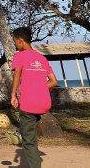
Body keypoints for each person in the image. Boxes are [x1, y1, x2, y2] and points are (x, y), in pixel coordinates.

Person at [9, 27, 58, 168]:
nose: (15, 44)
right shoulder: (42, 58)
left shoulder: (19, 55)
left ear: (20, 41)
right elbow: (54, 81)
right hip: (44, 104)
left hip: (29, 104)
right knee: (30, 133)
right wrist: (40, 87)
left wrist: (13, 95)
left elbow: (17, 75)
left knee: (28, 141)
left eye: (15, 41)